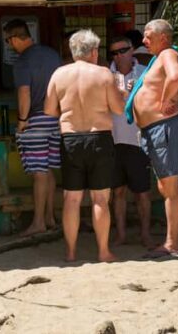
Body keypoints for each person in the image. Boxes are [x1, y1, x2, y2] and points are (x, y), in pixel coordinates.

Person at [44, 29, 125, 263]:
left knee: (71, 199)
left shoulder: (59, 74)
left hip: (70, 139)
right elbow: (118, 109)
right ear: (93, 51)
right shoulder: (103, 74)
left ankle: (70, 253)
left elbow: (49, 110)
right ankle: (103, 252)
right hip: (99, 137)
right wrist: (121, 94)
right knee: (100, 199)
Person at [131, 19, 178, 257]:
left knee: (169, 187)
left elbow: (175, 77)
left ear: (163, 37)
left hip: (163, 128)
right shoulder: (158, 59)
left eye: (148, 35)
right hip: (154, 130)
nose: (143, 41)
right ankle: (174, 240)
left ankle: (172, 243)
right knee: (166, 186)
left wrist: (165, 100)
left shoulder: (167, 55)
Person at [3, 18, 62, 236]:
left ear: (14, 38)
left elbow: (24, 93)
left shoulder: (22, 61)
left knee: (38, 172)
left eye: (9, 41)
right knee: (48, 170)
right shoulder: (52, 55)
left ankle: (38, 222)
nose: (9, 46)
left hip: (35, 119)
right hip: (55, 118)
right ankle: (50, 217)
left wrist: (22, 120)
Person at [107, 37, 152, 248]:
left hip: (138, 140)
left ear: (132, 50)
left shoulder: (145, 71)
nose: (119, 55)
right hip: (113, 140)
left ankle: (145, 234)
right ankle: (121, 235)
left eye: (123, 50)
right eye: (114, 52)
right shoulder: (105, 75)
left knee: (142, 192)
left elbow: (155, 102)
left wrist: (137, 94)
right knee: (118, 192)